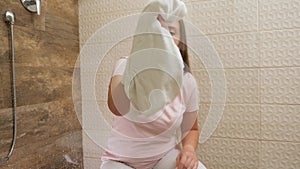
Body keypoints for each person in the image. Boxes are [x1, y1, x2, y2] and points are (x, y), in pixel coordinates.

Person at [100, 5, 206, 169]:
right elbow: (116, 107)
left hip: (163, 158)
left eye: (170, 32)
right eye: (156, 31)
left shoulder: (187, 81)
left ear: (181, 43)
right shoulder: (125, 66)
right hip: (120, 161)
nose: (162, 38)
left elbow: (191, 128)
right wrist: (133, 71)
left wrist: (189, 149)